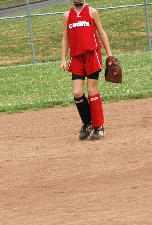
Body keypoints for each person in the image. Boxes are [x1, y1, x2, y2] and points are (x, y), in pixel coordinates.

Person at [60, 0, 113, 141]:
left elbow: (101, 33)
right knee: (77, 93)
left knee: (91, 91)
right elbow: (65, 38)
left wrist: (109, 54)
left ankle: (99, 126)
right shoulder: (67, 15)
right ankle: (88, 123)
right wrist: (63, 59)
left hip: (92, 55)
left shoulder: (92, 12)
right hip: (76, 57)